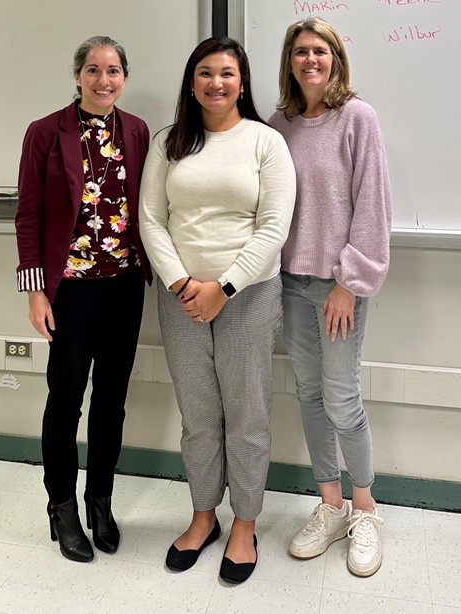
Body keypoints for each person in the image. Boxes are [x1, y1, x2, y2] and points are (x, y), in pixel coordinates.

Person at [139, 37, 295, 584]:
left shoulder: (266, 142)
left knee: (247, 416)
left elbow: (274, 227)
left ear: (243, 82)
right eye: (204, 73)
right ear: (191, 82)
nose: (216, 83)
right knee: (198, 413)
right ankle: (204, 514)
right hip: (179, 296)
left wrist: (221, 287)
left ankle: (245, 523)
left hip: (248, 296)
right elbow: (151, 220)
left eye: (227, 73)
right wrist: (183, 282)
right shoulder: (170, 142)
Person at [15, 35, 152, 563]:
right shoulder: (45, 133)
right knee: (65, 400)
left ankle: (101, 502)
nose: (103, 80)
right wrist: (35, 291)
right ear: (77, 76)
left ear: (124, 77)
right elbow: (28, 215)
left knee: (111, 402)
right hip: (69, 289)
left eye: (113, 70)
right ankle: (62, 507)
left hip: (124, 284)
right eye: (92, 70)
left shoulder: (137, 131)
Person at [269, 17, 391, 577]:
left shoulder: (356, 118)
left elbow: (371, 205)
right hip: (291, 282)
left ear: (335, 58)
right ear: (289, 61)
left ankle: (366, 511)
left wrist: (349, 281)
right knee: (311, 396)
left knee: (342, 399)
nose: (309, 60)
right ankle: (330, 506)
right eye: (300, 51)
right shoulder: (281, 124)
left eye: (320, 51)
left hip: (340, 284)